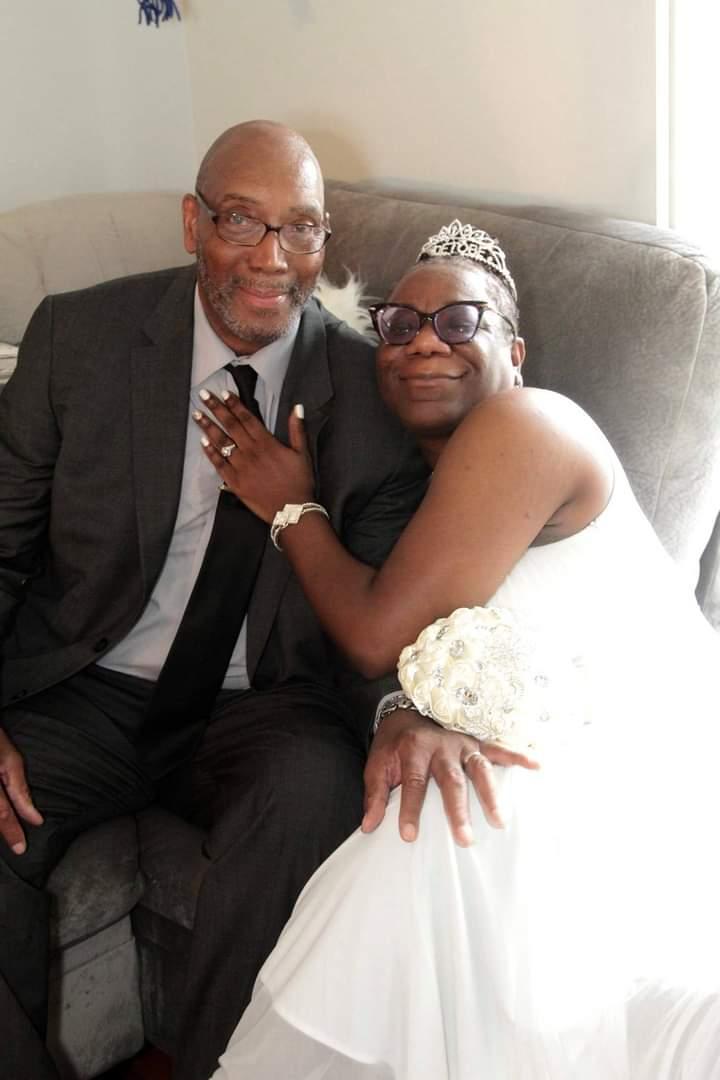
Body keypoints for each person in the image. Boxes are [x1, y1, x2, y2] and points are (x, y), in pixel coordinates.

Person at [194, 220, 720, 1079]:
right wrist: (410, 712)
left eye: (459, 322)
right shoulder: (417, 486)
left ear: (515, 350)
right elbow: (413, 647)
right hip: (565, 757)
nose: (422, 344)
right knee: (429, 810)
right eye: (398, 324)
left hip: (640, 770)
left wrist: (292, 509)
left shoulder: (528, 422)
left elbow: (372, 636)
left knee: (424, 833)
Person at [0, 119, 450, 1080]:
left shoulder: (369, 398)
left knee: (315, 790)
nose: (273, 259)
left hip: (264, 704)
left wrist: (402, 711)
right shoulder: (75, 338)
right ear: (191, 222)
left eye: (304, 229)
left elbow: (380, 610)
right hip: (90, 684)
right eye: (243, 221)